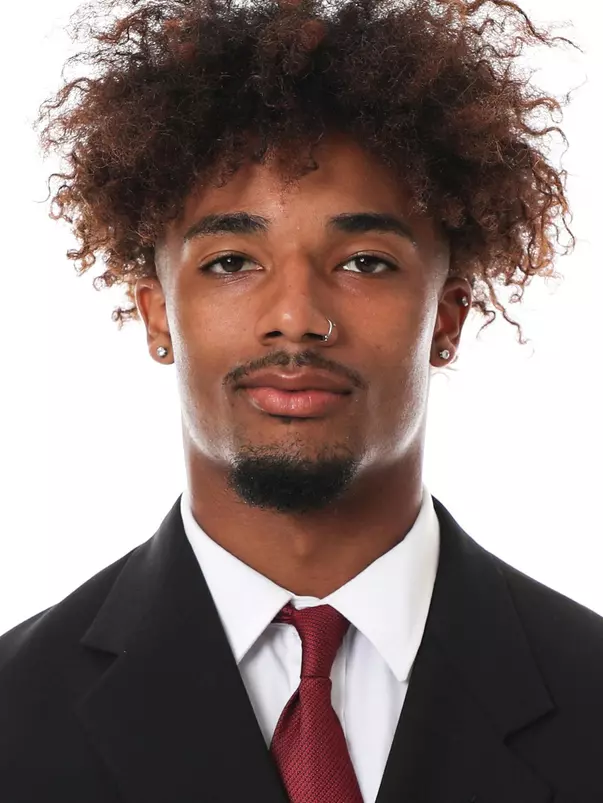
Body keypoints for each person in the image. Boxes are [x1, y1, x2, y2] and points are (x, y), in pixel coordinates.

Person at [1, 0, 602, 800]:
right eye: (229, 261)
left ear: (447, 319)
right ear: (156, 316)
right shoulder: (15, 715)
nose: (295, 317)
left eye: (363, 262)